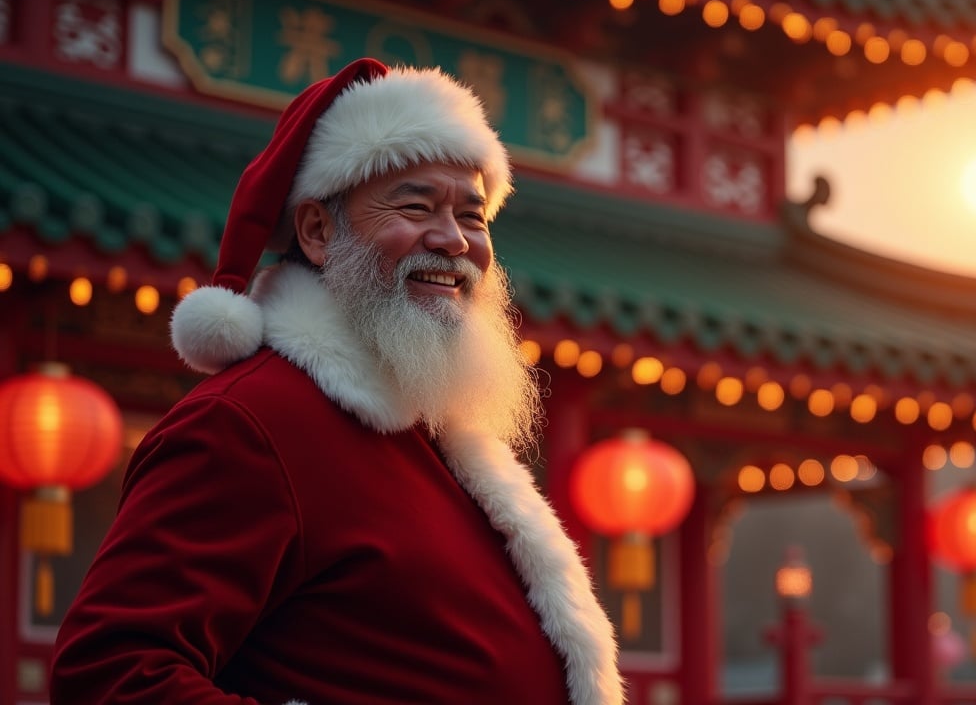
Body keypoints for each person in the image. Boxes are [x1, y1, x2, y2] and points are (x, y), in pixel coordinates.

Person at [50, 57, 623, 705]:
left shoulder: (433, 431)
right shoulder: (250, 423)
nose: (455, 240)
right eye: (417, 205)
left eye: (473, 215)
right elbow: (110, 672)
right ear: (319, 232)